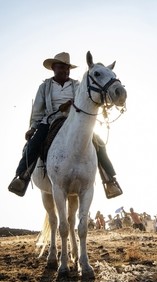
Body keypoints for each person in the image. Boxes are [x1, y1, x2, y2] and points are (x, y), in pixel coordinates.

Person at [7, 52, 122, 199]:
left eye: (67, 68)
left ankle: (110, 180)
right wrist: (33, 128)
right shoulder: (45, 86)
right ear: (54, 68)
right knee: (34, 144)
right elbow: (37, 109)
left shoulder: (77, 85)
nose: (65, 70)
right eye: (61, 67)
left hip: (74, 121)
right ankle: (21, 177)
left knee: (99, 143)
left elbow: (86, 100)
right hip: (50, 121)